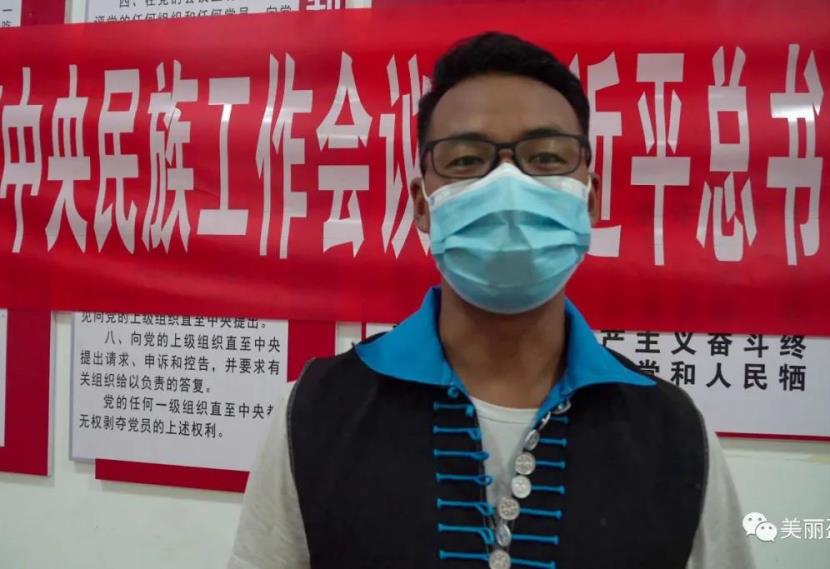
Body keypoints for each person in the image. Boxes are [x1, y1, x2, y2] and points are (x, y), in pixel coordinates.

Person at [228, 32, 755, 569]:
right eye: (465, 160)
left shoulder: (676, 435)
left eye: (546, 157)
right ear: (422, 205)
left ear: (591, 199)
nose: (507, 185)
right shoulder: (313, 413)